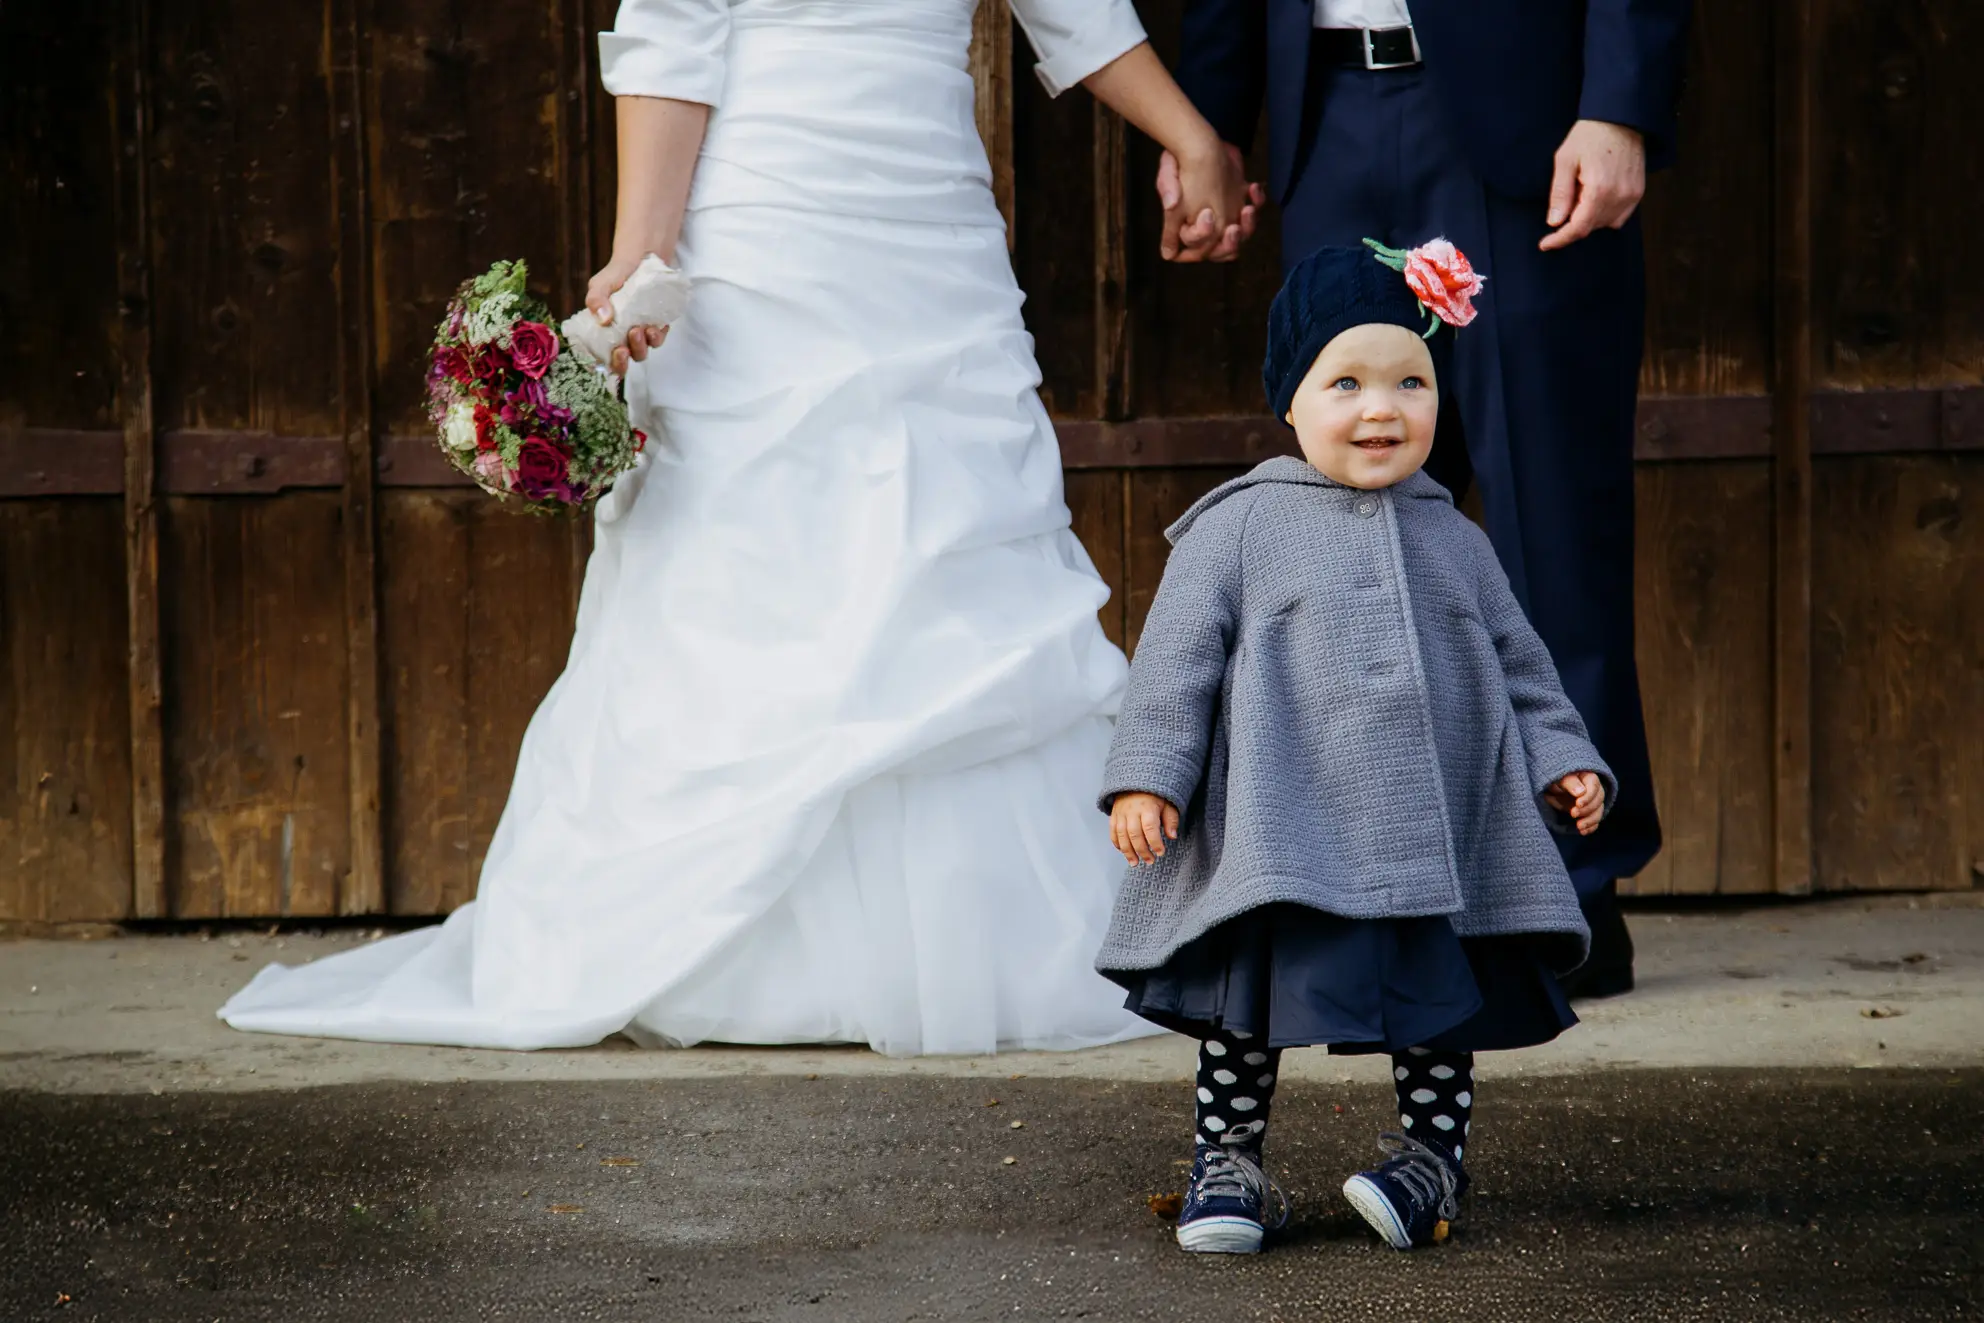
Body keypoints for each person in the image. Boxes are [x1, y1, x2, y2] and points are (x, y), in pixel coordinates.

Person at [219, 0, 1259, 1054]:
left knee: (948, 523)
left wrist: (1189, 139)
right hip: (764, 229)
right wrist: (642, 256)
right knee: (750, 543)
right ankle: (734, 951)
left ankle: (974, 943)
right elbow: (672, 39)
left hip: (929, 236)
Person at [1158, 0, 1693, 995]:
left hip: (1523, 125)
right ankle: (1378, 889)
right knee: (1353, 531)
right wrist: (1214, 123)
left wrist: (1618, 102)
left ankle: (1570, 890)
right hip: (1325, 120)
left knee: (1551, 517)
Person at [1097, 243, 1612, 1253]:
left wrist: (1563, 755)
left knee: (1435, 998)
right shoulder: (1239, 527)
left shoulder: (1452, 537)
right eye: (1346, 383)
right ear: (1290, 403)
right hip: (1277, 827)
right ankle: (1229, 1163)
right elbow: (1174, 665)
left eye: (1409, 383)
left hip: (1432, 831)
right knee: (1246, 1002)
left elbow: (1520, 664)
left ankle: (1428, 1165)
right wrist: (1145, 780)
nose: (1382, 408)